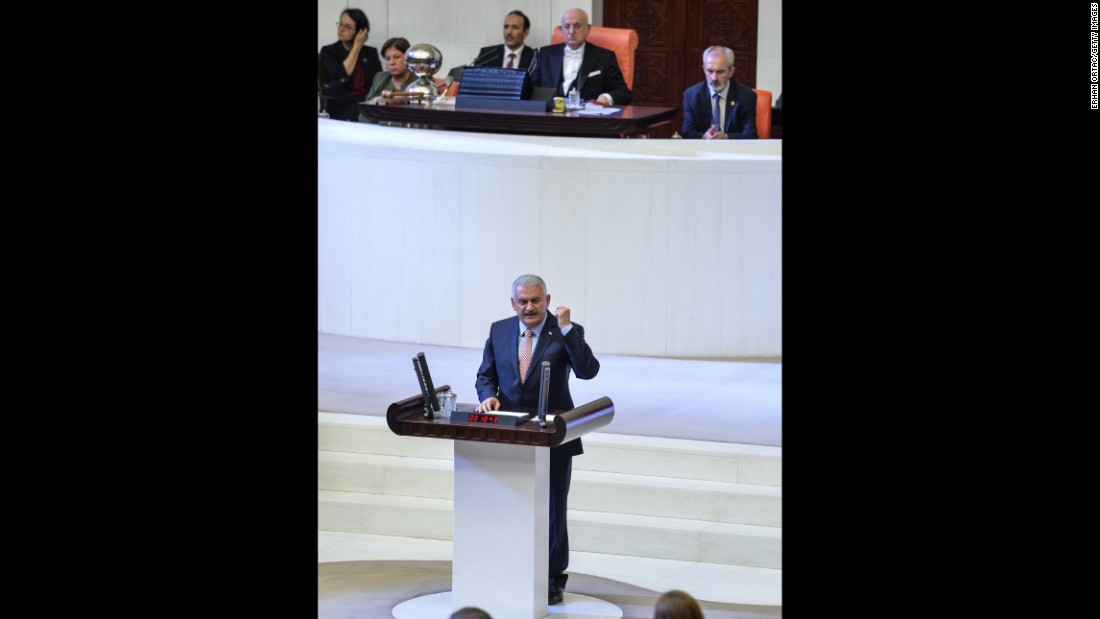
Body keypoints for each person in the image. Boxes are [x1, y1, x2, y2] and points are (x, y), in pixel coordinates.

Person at [474, 274, 600, 606]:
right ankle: (510, 567)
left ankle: (553, 580)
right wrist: (488, 397)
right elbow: (486, 375)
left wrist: (568, 329)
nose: (529, 307)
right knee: (510, 502)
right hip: (510, 432)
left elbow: (588, 371)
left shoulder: (565, 330)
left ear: (547, 299)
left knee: (553, 509)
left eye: (535, 300)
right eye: (523, 301)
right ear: (512, 303)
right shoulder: (499, 330)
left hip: (554, 434)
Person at [529, 7, 632, 106]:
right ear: (561, 30)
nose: (571, 32)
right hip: (550, 118)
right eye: (567, 26)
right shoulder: (545, 54)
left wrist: (606, 97)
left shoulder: (605, 57)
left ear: (588, 29)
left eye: (577, 26)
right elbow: (533, 89)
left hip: (587, 119)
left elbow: (624, 93)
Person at [319, 8, 383, 122]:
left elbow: (379, 81)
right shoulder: (329, 51)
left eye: (348, 27)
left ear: (360, 31)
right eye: (340, 24)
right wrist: (357, 46)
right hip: (341, 103)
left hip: (367, 102)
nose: (341, 29)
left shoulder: (370, 53)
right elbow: (342, 74)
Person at [681, 46, 757, 139]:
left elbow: (750, 134)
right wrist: (703, 136)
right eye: (709, 71)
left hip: (734, 151)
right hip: (703, 150)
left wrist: (726, 137)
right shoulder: (692, 96)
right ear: (704, 69)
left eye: (720, 72)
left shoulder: (746, 96)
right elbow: (687, 132)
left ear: (731, 72)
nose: (714, 78)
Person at [470, 10, 536, 70]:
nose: (509, 32)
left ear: (526, 32)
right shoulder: (487, 54)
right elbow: (473, 79)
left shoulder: (534, 57)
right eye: (506, 27)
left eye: (515, 27)